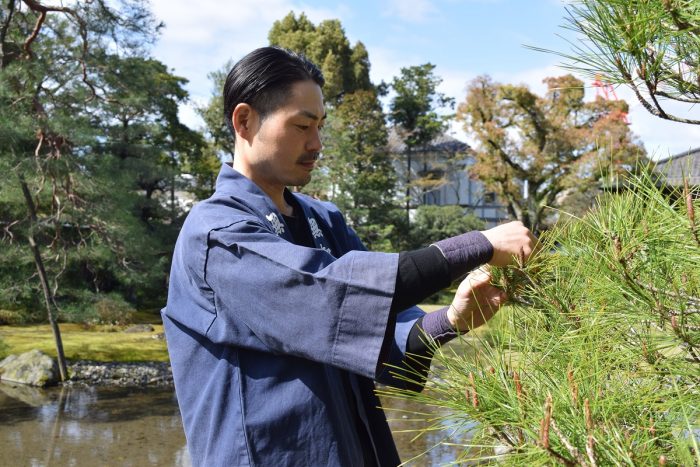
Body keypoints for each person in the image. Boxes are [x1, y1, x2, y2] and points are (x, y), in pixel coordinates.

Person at [162, 46, 536, 466]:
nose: (317, 143)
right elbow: (324, 291)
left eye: (320, 126)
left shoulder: (325, 219)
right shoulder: (215, 233)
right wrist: (476, 246)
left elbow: (375, 330)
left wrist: (447, 321)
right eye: (302, 125)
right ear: (244, 120)